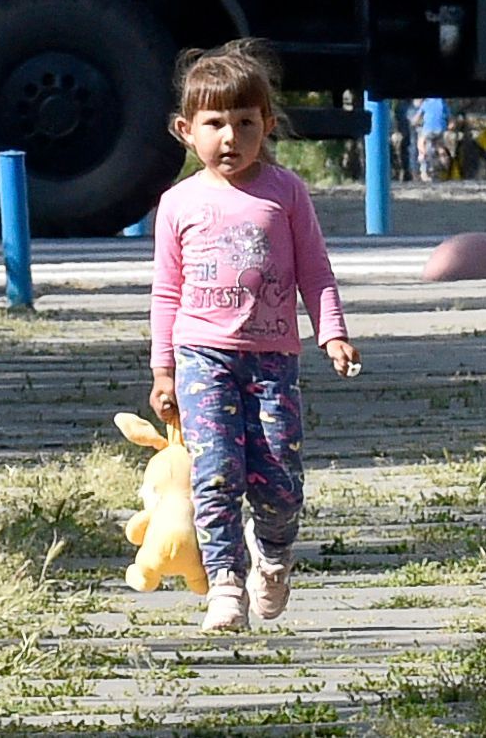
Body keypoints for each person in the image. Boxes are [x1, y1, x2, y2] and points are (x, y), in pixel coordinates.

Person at [148, 41, 360, 634]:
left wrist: (332, 333)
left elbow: (315, 269)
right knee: (215, 472)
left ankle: (271, 554)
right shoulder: (177, 204)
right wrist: (163, 371)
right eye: (215, 124)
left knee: (278, 481)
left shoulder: (286, 194)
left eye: (245, 123)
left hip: (272, 362)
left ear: (267, 125)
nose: (231, 137)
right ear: (186, 130)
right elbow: (166, 293)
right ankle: (225, 583)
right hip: (201, 356)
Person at [412, 95, 449, 181]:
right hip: (440, 130)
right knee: (440, 148)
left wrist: (413, 122)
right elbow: (450, 118)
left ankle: (424, 172)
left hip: (428, 130)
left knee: (421, 145)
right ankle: (446, 168)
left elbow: (416, 118)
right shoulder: (442, 102)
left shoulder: (426, 103)